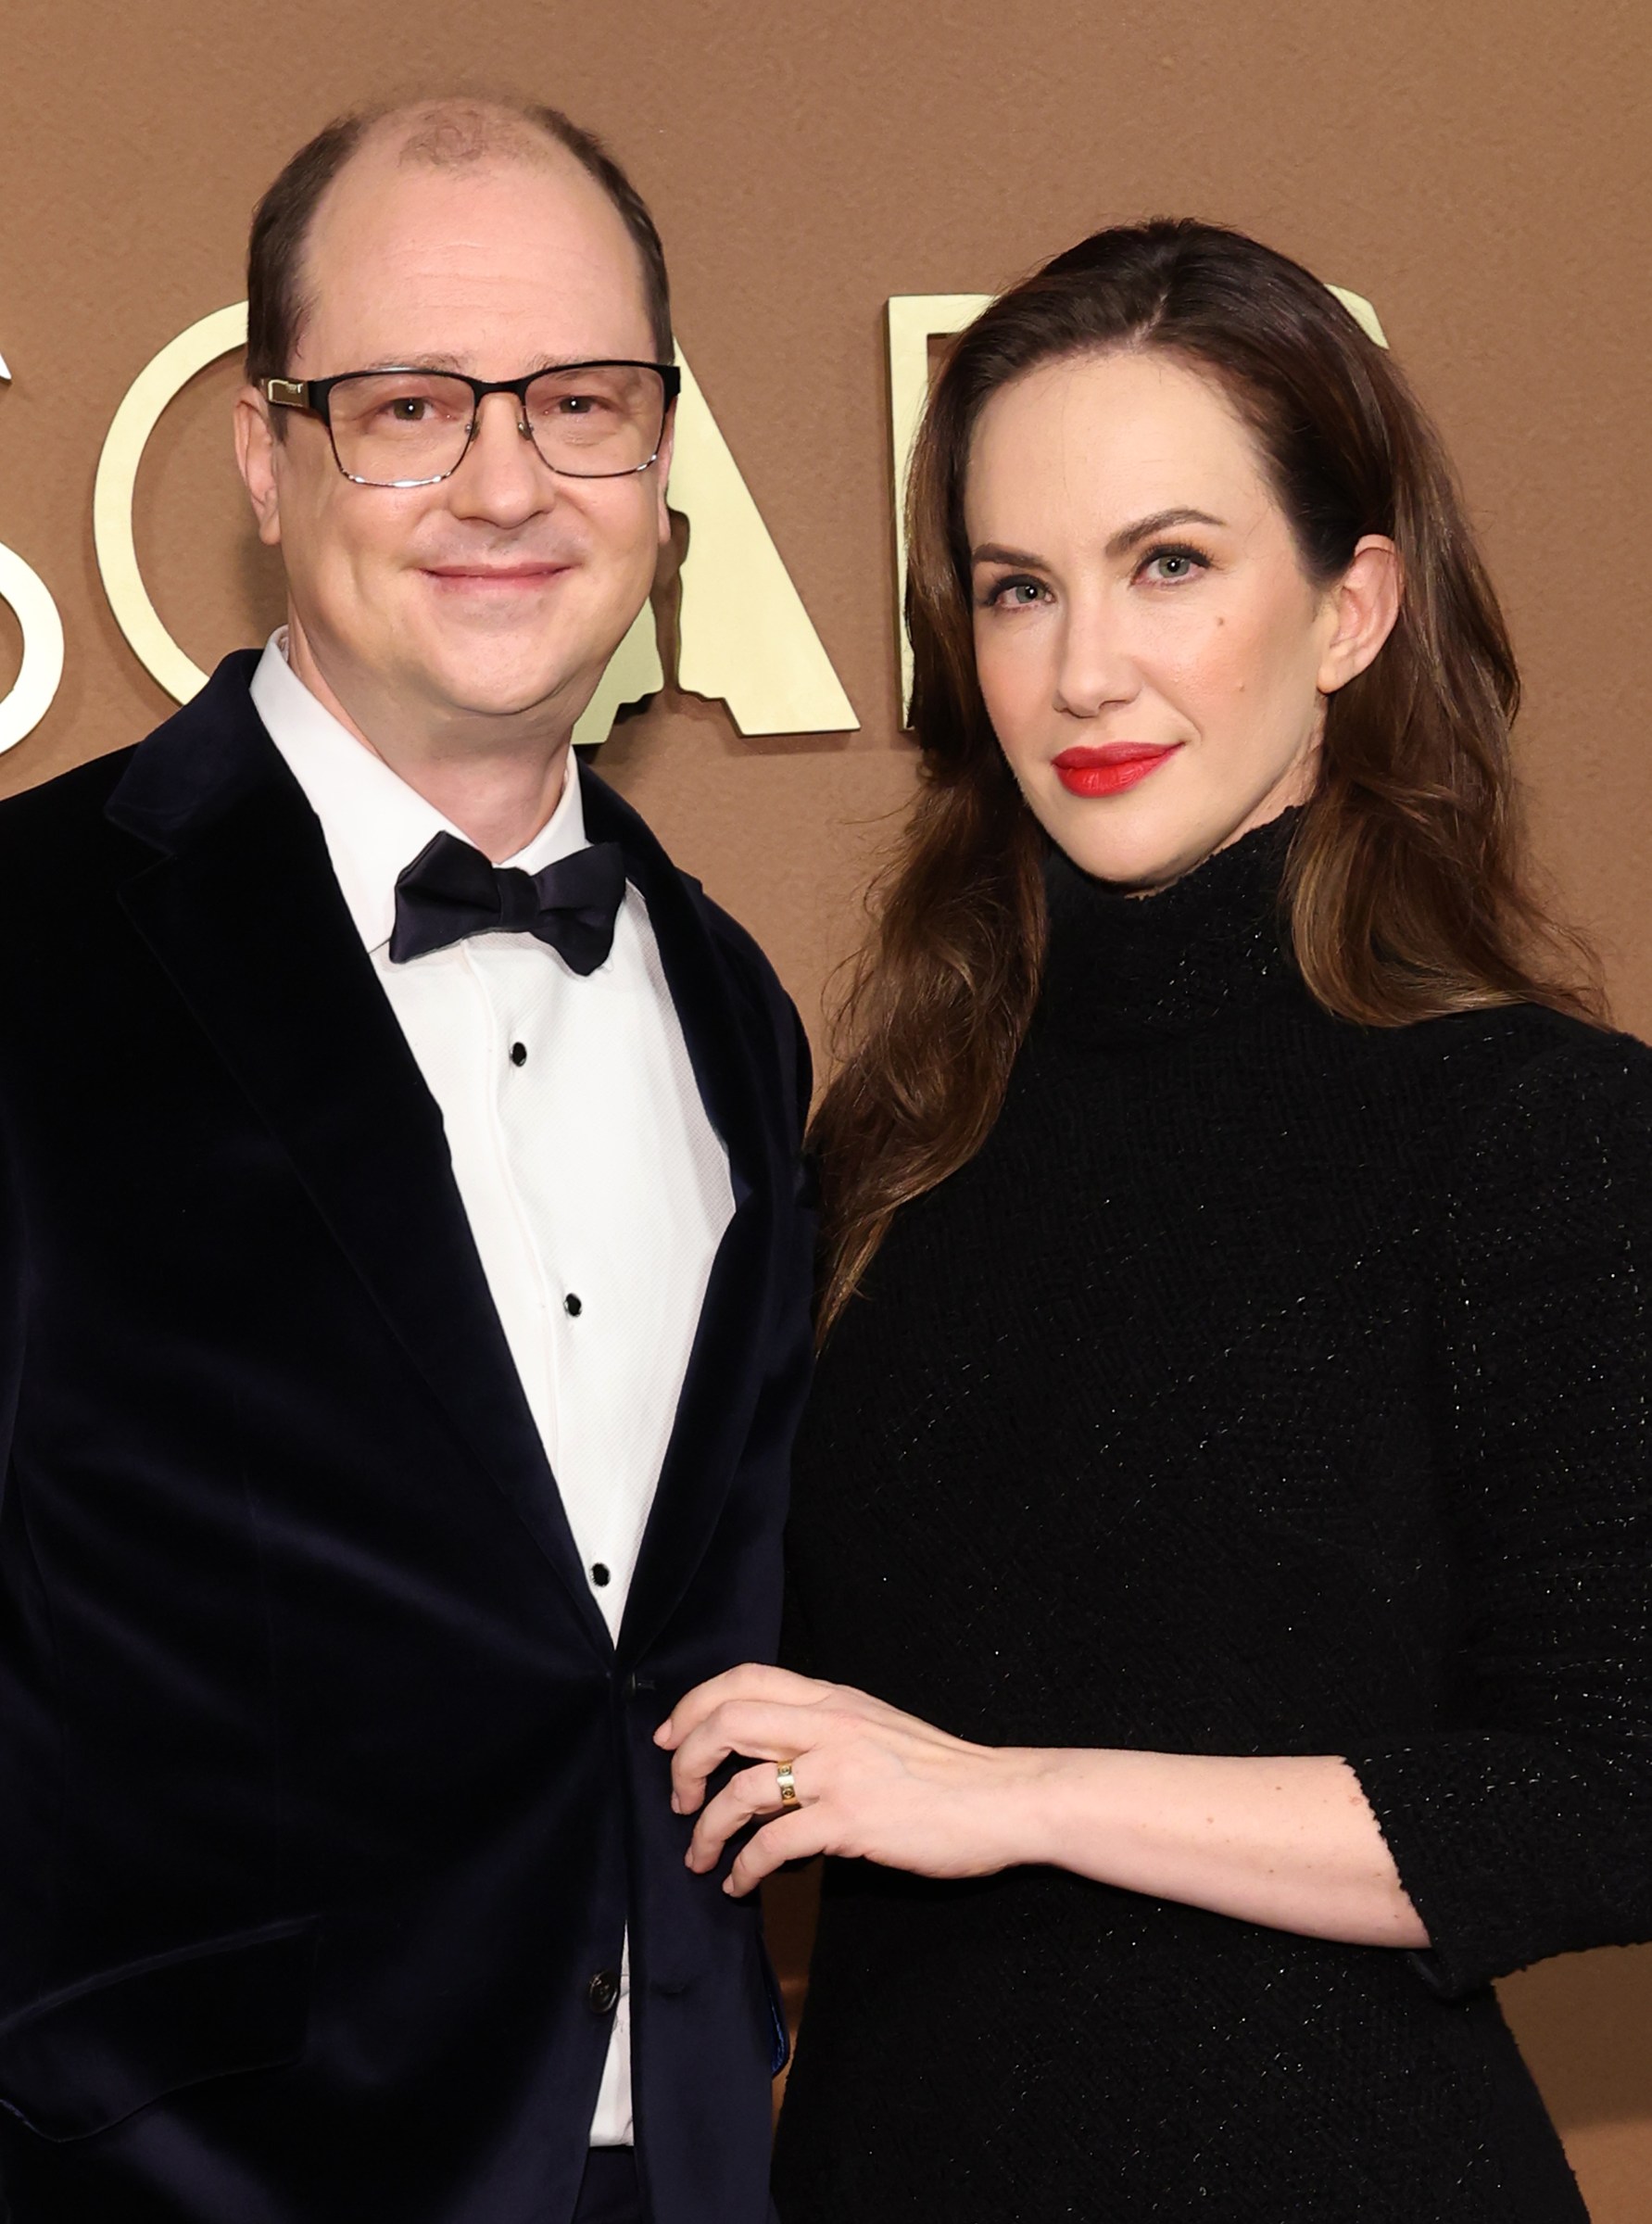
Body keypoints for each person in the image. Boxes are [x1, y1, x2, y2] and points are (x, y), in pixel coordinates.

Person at [659, 219, 1652, 2219]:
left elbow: (1613, 1798)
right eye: (1014, 586)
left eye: (1169, 565)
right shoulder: (899, 1142)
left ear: (1352, 606)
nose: (1079, 667)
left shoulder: (1534, 1134)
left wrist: (1011, 1799)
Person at [0, 97, 813, 2224]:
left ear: (663, 460)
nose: (503, 481)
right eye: (406, 405)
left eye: (578, 402)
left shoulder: (736, 1007)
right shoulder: (27, 947)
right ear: (265, 457)